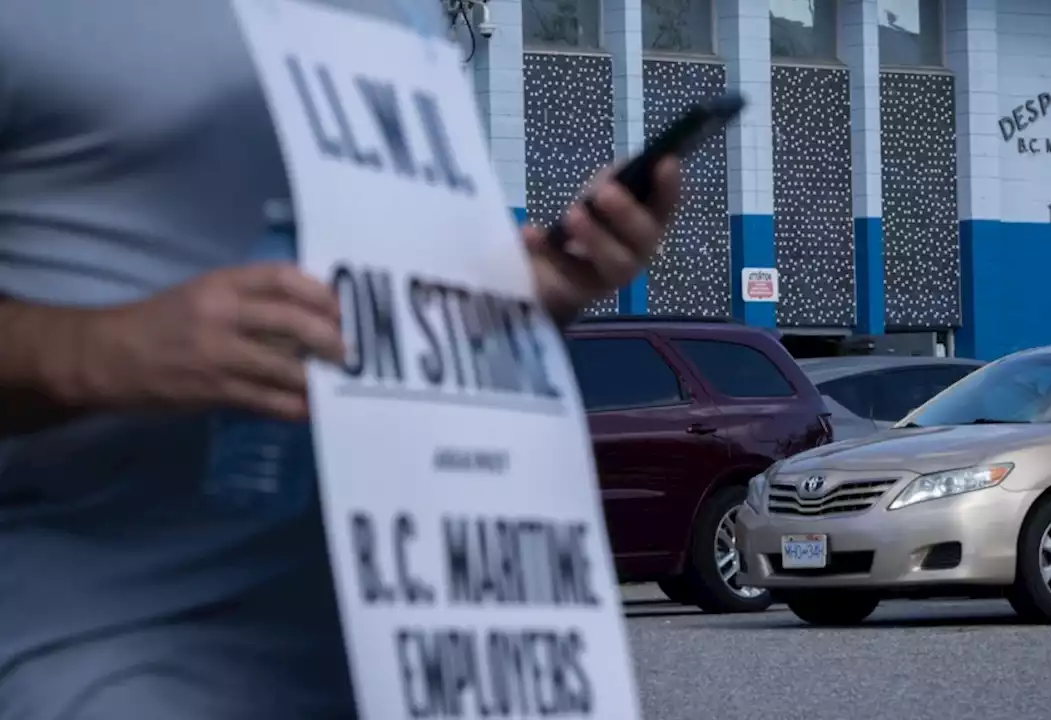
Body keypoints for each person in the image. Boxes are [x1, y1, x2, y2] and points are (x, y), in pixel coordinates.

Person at [0, 2, 680, 718]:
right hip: (112, 655)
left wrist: (520, 299)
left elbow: (381, 295)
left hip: (415, 660)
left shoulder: (405, 13)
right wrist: (97, 349)